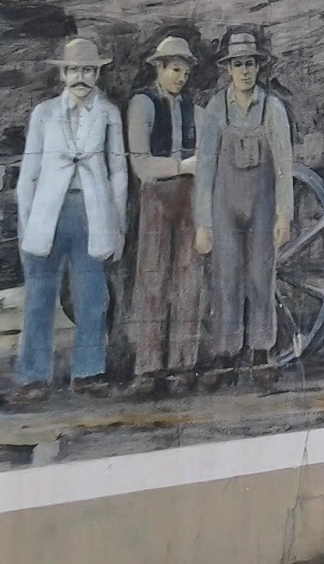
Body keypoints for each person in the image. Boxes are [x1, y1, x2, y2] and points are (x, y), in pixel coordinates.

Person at [14, 38, 129, 401]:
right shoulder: (44, 113)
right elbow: (29, 172)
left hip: (91, 212)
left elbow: (119, 171)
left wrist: (118, 223)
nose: (81, 77)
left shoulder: (108, 113)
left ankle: (89, 371)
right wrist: (27, 221)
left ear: (98, 74)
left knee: (92, 295)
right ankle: (34, 376)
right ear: (63, 73)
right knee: (39, 294)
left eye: (89, 70)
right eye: (75, 70)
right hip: (49, 212)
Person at [193, 28, 293, 389]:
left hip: (262, 204)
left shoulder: (272, 108)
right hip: (225, 206)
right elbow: (204, 169)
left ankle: (262, 351)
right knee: (226, 278)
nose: (245, 71)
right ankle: (225, 352)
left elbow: (284, 166)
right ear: (228, 69)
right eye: (238, 65)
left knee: (260, 277)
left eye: (250, 64)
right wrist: (203, 222)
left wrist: (284, 215)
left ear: (258, 67)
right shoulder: (216, 109)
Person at [123, 35, 204, 397]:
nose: (181, 78)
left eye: (185, 72)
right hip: (156, 196)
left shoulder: (194, 109)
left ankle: (183, 365)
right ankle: (149, 366)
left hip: (190, 196)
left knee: (188, 281)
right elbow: (141, 164)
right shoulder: (142, 105)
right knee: (153, 281)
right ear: (159, 68)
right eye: (175, 70)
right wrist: (181, 164)